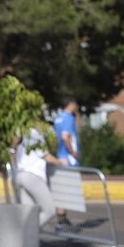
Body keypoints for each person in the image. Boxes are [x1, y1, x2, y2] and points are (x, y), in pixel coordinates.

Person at [12, 127, 60, 230]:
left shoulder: (24, 132)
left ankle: (25, 239)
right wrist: (61, 163)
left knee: (30, 213)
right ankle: (27, 233)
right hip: (33, 176)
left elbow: (14, 154)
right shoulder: (36, 134)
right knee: (50, 211)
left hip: (20, 174)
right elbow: (45, 156)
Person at [52, 97, 80, 230]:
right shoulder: (69, 117)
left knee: (62, 188)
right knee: (66, 189)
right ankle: (61, 220)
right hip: (68, 158)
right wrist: (73, 152)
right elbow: (65, 136)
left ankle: (61, 219)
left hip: (60, 155)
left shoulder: (58, 118)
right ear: (70, 104)